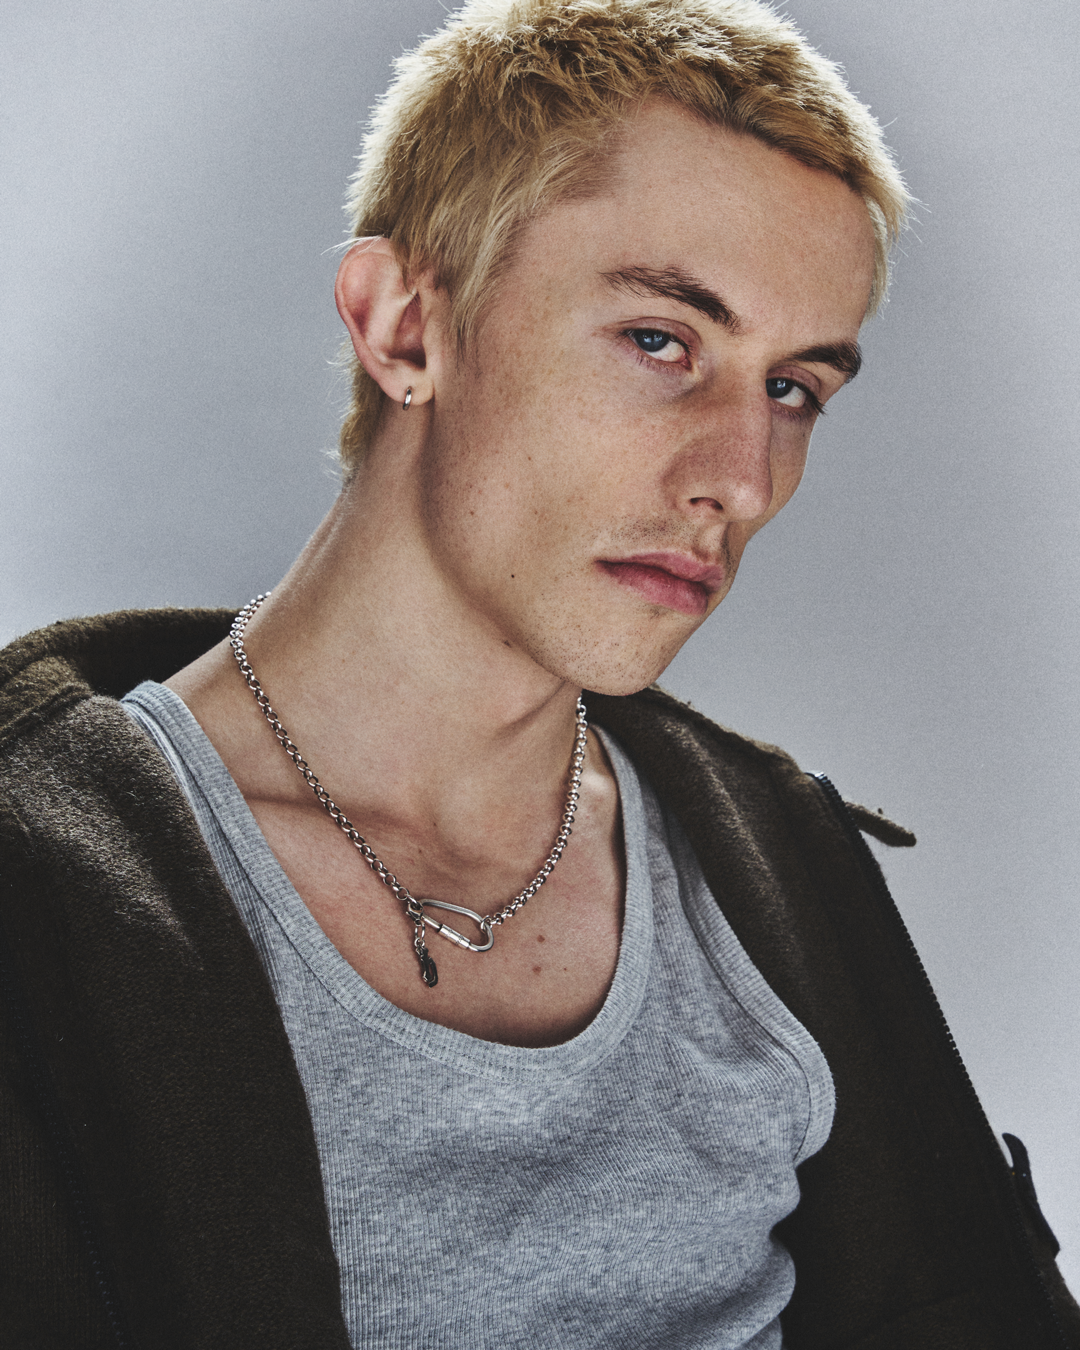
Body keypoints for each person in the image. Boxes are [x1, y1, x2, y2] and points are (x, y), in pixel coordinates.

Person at [0, 0, 1076, 1346]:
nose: (741, 478)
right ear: (403, 327)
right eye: (662, 341)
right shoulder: (39, 909)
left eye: (795, 386)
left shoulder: (785, 881)